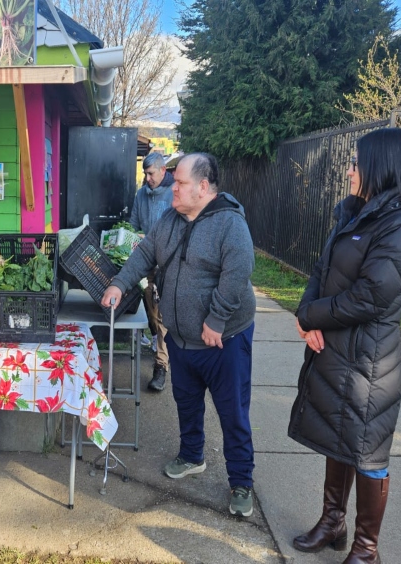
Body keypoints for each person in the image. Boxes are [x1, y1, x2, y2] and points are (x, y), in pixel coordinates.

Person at [288, 128, 401, 563]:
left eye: (355, 163)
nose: (349, 169)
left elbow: (373, 295)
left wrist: (313, 317)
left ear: (378, 167)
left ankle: (366, 549)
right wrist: (304, 310)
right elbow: (322, 268)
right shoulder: (355, 213)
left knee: (369, 452)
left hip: (370, 362)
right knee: (340, 438)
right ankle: (333, 522)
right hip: (337, 350)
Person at [103, 153, 257, 517]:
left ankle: (241, 482)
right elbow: (143, 256)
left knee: (232, 411)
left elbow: (237, 273)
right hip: (181, 339)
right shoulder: (171, 219)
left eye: (181, 183)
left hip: (223, 341)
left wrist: (217, 319)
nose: (174, 187)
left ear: (203, 187)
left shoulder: (229, 224)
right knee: (186, 402)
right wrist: (118, 283)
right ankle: (192, 456)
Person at [129, 152, 175, 391]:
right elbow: (133, 226)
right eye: (145, 174)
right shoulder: (141, 195)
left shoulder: (174, 193)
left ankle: (161, 366)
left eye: (151, 174)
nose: (147, 179)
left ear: (163, 171)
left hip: (169, 266)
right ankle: (163, 345)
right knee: (153, 314)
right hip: (147, 263)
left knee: (163, 315)